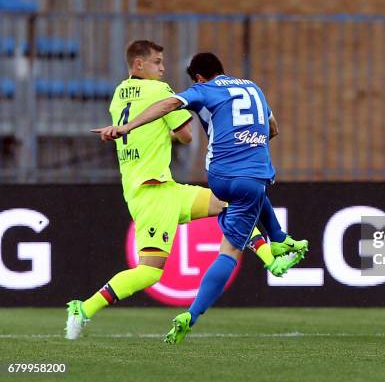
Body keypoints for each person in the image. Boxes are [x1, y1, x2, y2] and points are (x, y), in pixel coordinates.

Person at [67, 42, 302, 340]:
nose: (163, 68)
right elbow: (187, 136)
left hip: (160, 188)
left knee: (228, 204)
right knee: (150, 272)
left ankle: (271, 257)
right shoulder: (161, 91)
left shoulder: (118, 94)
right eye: (157, 62)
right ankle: (83, 309)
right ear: (139, 65)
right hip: (153, 192)